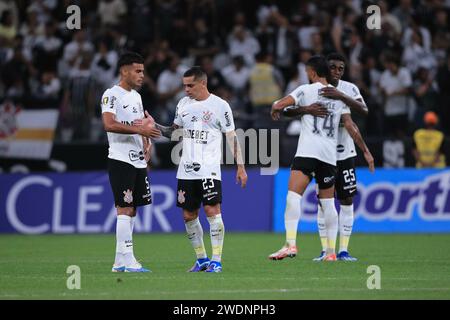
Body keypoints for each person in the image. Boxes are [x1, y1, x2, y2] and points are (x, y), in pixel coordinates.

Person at [269, 55, 374, 261]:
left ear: (313, 72)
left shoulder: (306, 90)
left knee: (293, 197)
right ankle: (331, 253)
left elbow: (280, 105)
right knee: (328, 204)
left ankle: (290, 244)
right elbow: (350, 122)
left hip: (308, 152)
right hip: (329, 156)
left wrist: (278, 107)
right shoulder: (338, 96)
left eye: (307, 72)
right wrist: (366, 150)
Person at [153, 66, 248, 273]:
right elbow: (174, 133)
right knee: (188, 215)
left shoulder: (220, 105)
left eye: (190, 85)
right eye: (184, 85)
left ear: (203, 83)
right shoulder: (182, 104)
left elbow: (232, 137)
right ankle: (202, 259)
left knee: (212, 211)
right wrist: (155, 126)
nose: (186, 89)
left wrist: (240, 166)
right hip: (186, 170)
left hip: (209, 169)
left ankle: (217, 260)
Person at [101, 52, 161, 273]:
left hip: (137, 160)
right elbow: (108, 124)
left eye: (143, 71)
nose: (142, 75)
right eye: (137, 71)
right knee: (124, 208)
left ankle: (119, 262)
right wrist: (140, 130)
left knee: (132, 209)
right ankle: (129, 260)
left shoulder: (136, 96)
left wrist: (147, 141)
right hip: (120, 158)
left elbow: (141, 123)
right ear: (124, 71)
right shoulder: (111, 95)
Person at [312, 53, 372, 261]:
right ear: (325, 69)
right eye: (333, 67)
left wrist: (341, 96)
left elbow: (363, 111)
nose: (336, 71)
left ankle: (344, 250)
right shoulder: (314, 89)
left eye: (340, 68)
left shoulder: (350, 89)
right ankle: (325, 250)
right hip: (322, 155)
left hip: (345, 153)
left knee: (346, 199)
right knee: (323, 201)